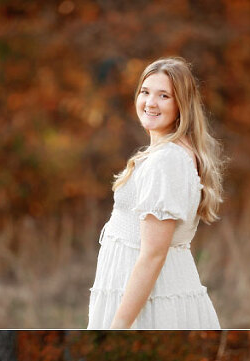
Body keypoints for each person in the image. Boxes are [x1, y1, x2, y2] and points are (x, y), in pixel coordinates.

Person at [88, 57, 225, 329]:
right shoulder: (167, 154)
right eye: (145, 92)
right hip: (139, 291)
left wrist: (120, 325)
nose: (150, 103)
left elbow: (153, 254)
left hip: (152, 300)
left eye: (164, 96)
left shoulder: (167, 161)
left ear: (181, 105)